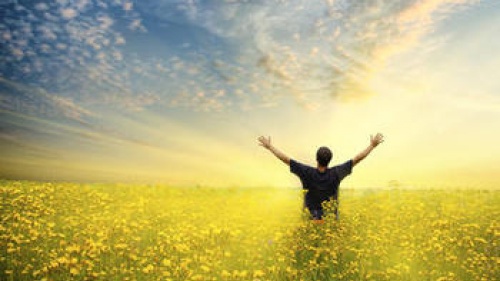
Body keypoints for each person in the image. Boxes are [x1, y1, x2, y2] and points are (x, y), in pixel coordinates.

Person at [258, 133, 384, 220]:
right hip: (330, 219)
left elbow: (286, 159)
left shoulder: (306, 172)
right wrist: (372, 146)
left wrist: (270, 147)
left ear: (316, 159)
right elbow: (357, 159)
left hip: (309, 219)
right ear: (330, 160)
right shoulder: (337, 173)